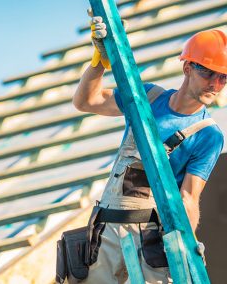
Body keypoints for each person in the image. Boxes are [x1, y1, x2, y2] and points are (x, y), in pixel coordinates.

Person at [70, 17, 226, 283]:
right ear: (188, 67)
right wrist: (99, 62)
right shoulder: (148, 98)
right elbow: (86, 101)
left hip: (151, 241)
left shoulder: (208, 135)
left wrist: (187, 245)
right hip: (106, 230)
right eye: (207, 73)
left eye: (223, 78)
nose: (214, 84)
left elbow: (189, 196)